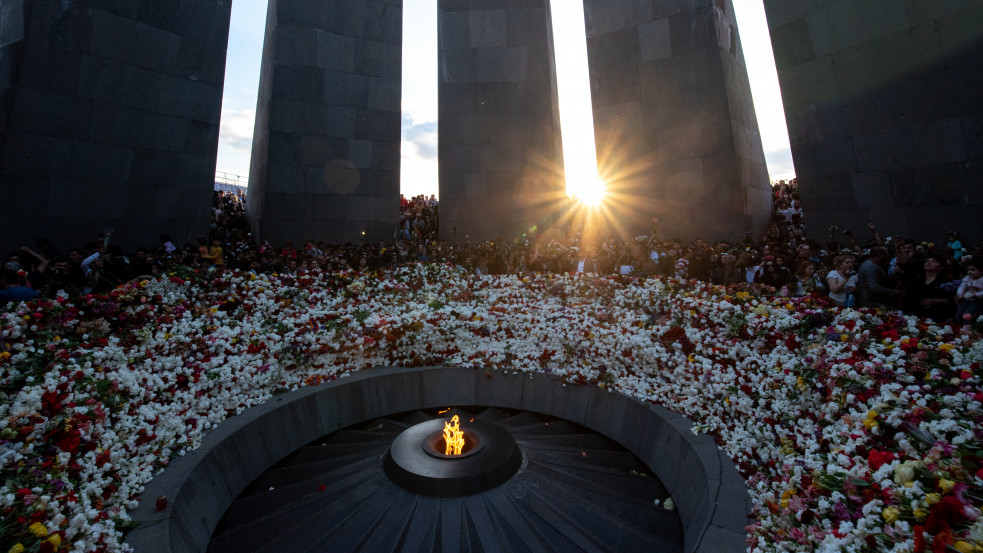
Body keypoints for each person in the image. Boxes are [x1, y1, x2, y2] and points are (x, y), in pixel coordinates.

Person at [902, 254, 954, 323]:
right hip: (911, 313)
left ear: (941, 267)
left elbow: (952, 300)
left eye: (934, 261)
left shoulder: (946, 282)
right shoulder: (917, 277)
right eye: (927, 261)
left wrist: (936, 301)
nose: (928, 263)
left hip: (933, 317)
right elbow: (903, 264)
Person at [955, 261, 983, 325]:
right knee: (958, 316)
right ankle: (960, 329)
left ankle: (968, 329)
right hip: (967, 299)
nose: (969, 272)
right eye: (968, 270)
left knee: (968, 316)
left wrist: (977, 294)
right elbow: (962, 286)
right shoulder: (967, 277)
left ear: (981, 271)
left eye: (972, 270)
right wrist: (960, 293)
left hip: (978, 301)